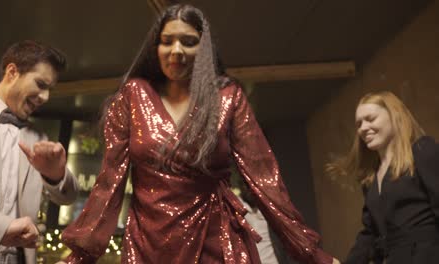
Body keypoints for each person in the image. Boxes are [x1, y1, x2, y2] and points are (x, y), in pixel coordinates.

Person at [61, 4, 336, 264]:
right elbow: (110, 182)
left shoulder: (227, 97)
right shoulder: (133, 95)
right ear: (154, 47)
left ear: (203, 48)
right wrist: (79, 257)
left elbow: (265, 180)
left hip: (214, 238)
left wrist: (312, 256)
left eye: (189, 42)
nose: (176, 50)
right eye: (167, 41)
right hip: (147, 243)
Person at [0, 40, 79, 264]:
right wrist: (2, 227)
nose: (45, 97)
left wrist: (55, 175)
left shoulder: (38, 139)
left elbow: (68, 197)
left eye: (49, 89)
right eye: (40, 84)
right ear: (12, 72)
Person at [326, 91, 439, 263]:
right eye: (359, 124)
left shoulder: (422, 150)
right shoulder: (371, 177)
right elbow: (371, 232)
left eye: (370, 119)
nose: (363, 128)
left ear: (395, 117)